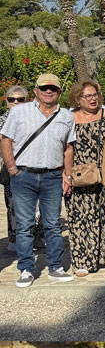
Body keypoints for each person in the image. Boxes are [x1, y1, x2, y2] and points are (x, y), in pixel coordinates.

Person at [1, 74, 76, 287]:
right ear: (35, 91)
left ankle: (55, 267)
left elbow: (68, 148)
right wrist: (12, 168)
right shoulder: (19, 112)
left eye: (53, 88)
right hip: (24, 175)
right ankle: (25, 269)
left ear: (59, 91)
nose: (48, 91)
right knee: (24, 225)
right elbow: (6, 141)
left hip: (52, 176)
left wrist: (67, 175)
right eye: (44, 88)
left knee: (52, 224)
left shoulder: (66, 116)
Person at [62, 81, 105, 277]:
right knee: (82, 218)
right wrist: (67, 176)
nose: (92, 99)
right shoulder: (69, 118)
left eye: (95, 95)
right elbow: (66, 149)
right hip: (81, 176)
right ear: (77, 99)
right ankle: (84, 261)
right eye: (87, 96)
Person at [1, 86, 29, 251]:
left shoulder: (32, 118)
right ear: (7, 102)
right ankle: (14, 238)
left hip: (32, 166)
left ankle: (37, 236)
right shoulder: (2, 121)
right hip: (9, 168)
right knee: (12, 203)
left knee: (35, 203)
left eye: (20, 99)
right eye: (12, 99)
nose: (16, 102)